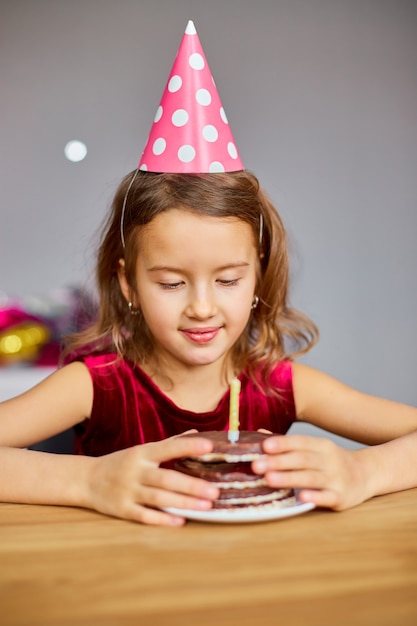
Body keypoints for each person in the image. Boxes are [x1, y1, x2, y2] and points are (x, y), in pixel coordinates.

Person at [1, 21, 416, 526]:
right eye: (172, 283)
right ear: (128, 282)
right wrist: (86, 480)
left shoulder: (282, 385)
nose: (201, 306)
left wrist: (364, 472)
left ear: (259, 276)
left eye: (228, 280)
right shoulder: (95, 386)